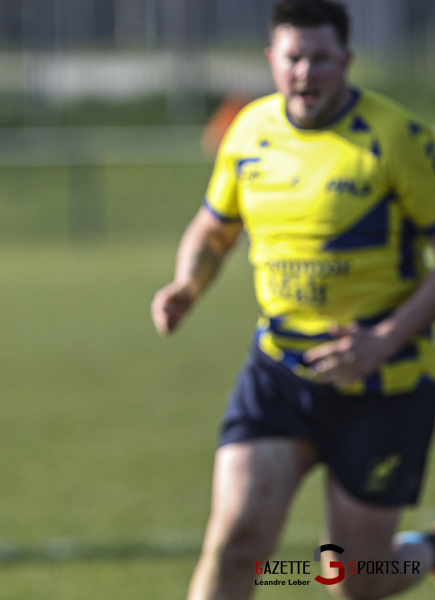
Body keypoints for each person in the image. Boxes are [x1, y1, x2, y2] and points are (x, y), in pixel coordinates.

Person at [151, 1, 435, 599]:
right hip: (280, 372)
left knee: (354, 578)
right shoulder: (249, 129)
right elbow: (215, 225)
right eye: (295, 58)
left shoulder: (399, 139)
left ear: (347, 62)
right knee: (235, 542)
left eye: (321, 59)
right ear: (272, 60)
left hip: (383, 387)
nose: (306, 72)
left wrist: (382, 341)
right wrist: (187, 286)